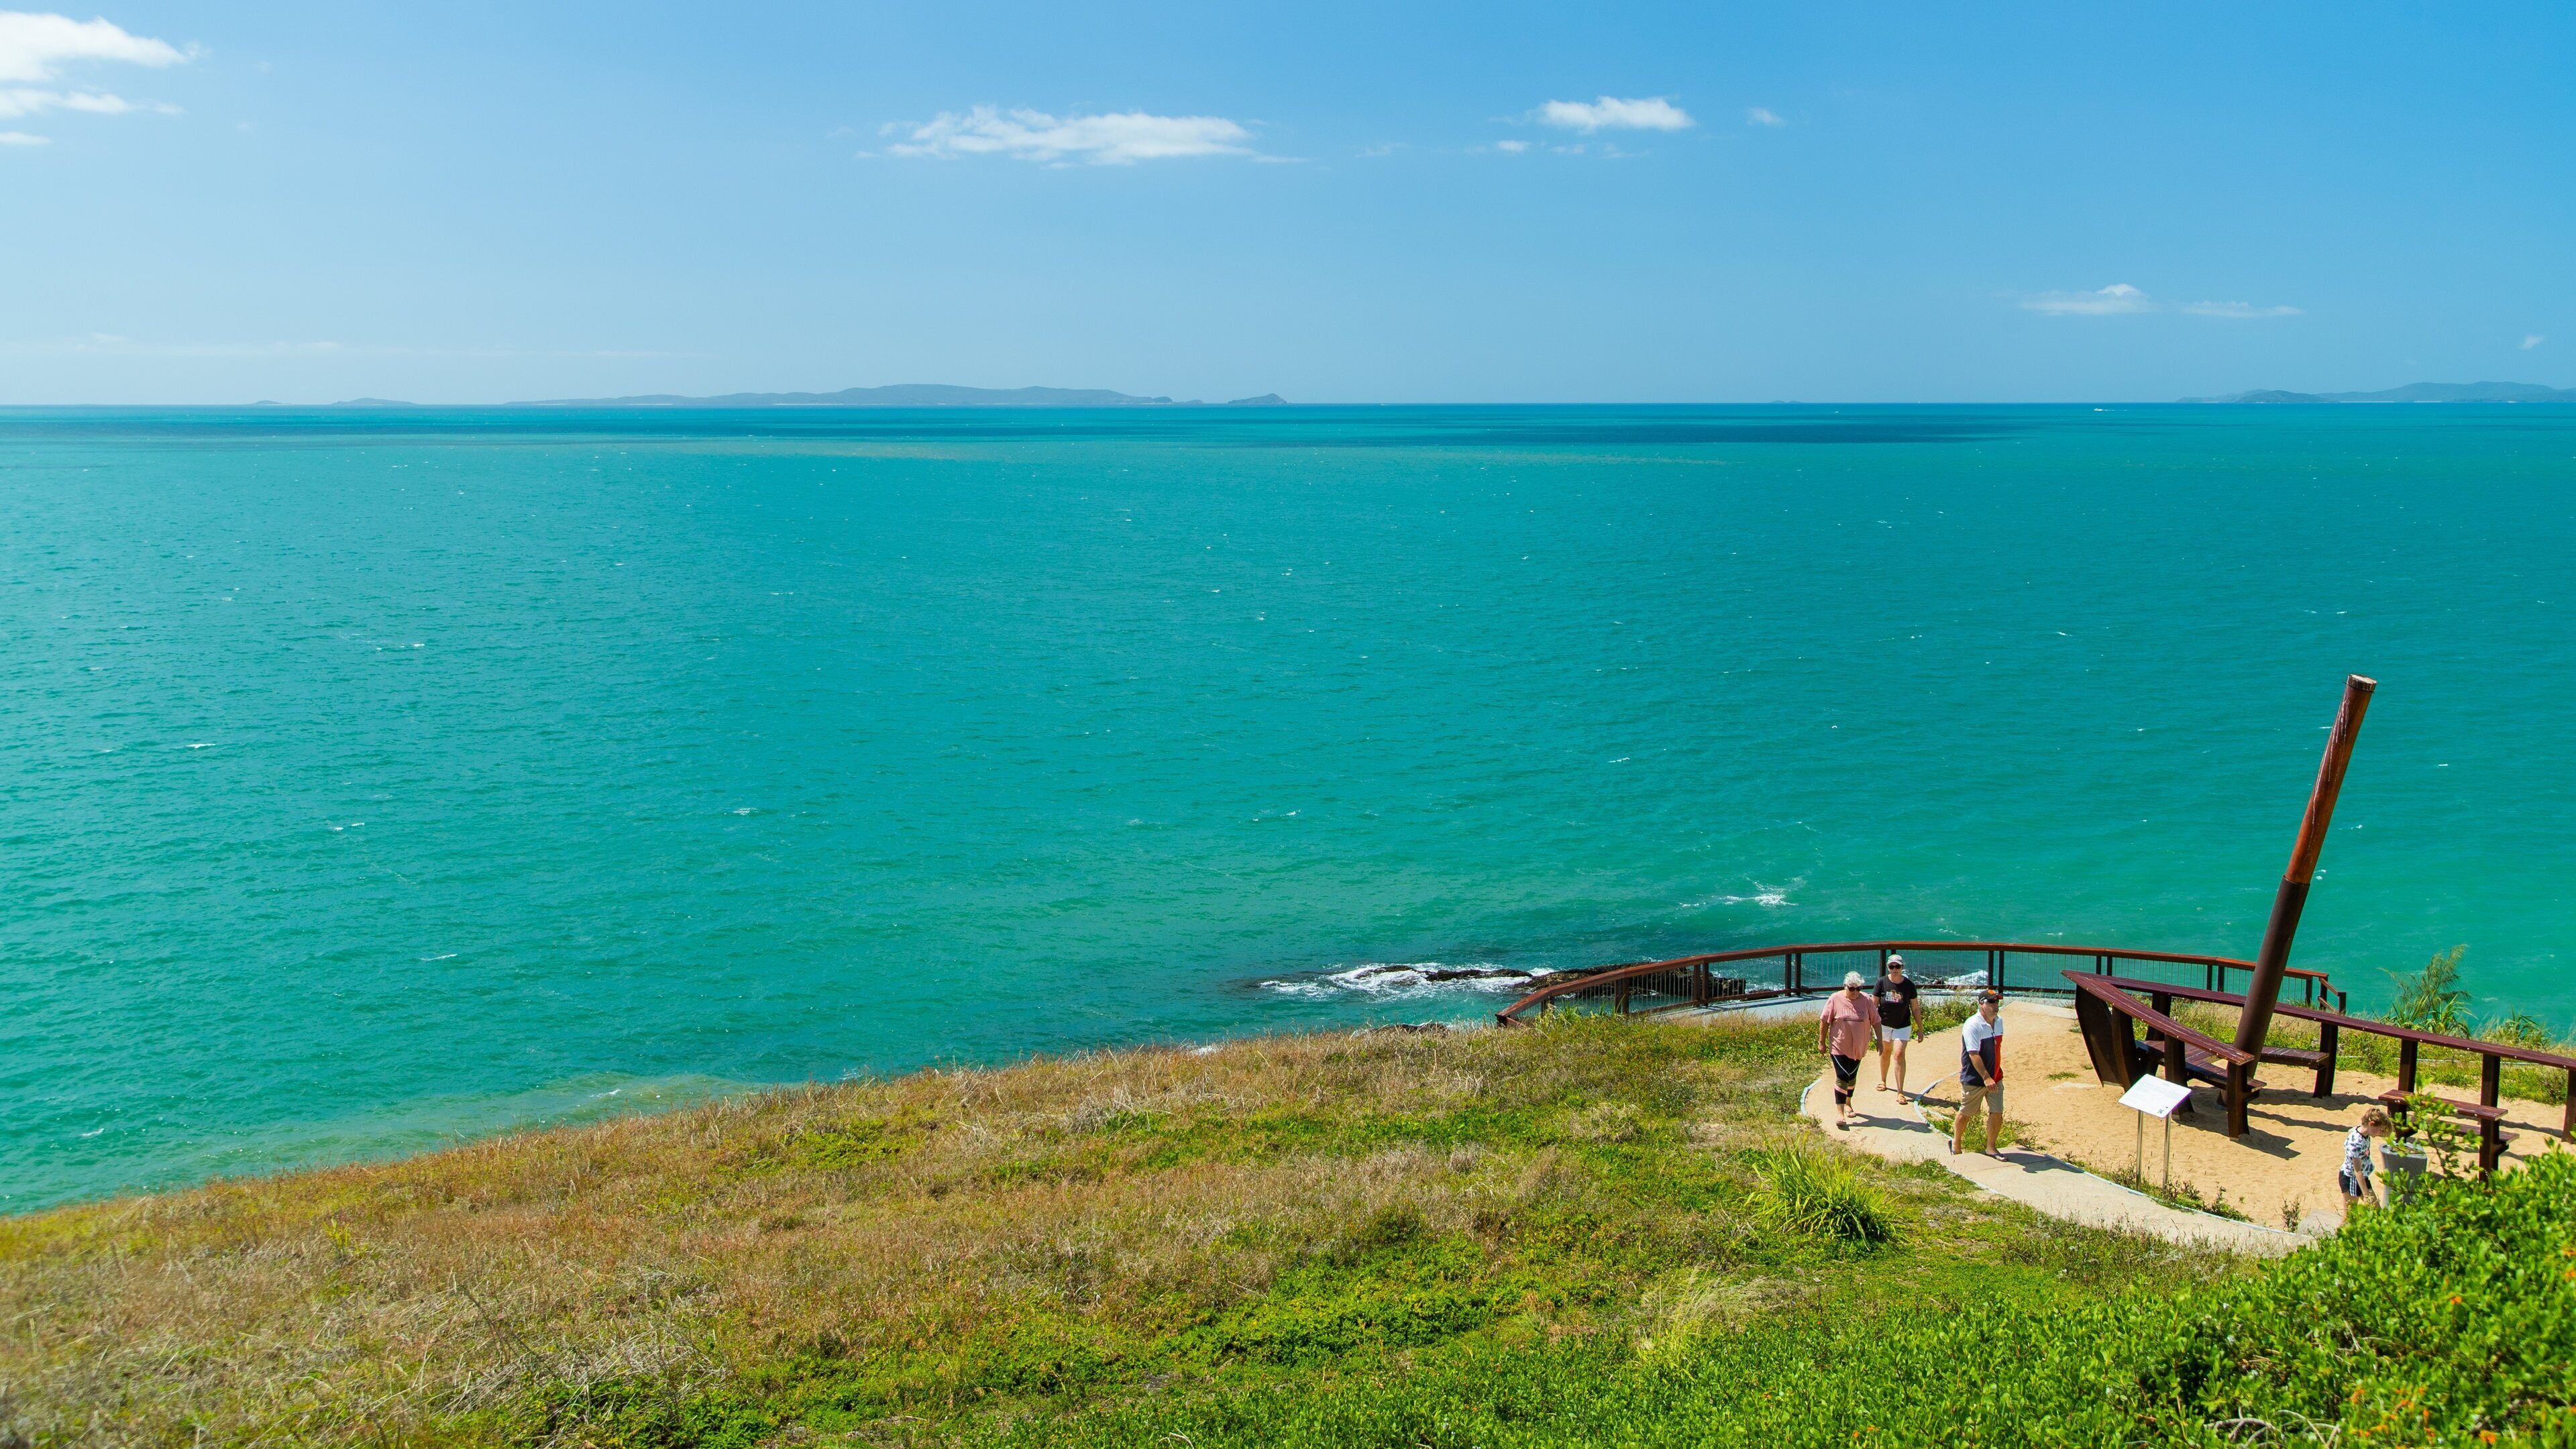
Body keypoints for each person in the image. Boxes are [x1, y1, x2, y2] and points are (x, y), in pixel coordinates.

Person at [1817, 971, 1880, 1129]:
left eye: (1858, 988)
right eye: (1852, 989)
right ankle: (1840, 1114)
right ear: (1845, 987)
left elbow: (1876, 1021)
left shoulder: (1866, 1000)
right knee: (1842, 1076)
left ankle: (1848, 1102)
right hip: (1839, 1046)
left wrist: (1879, 1040)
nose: (1855, 992)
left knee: (1852, 1077)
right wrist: (1821, 1042)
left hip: (1859, 1047)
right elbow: (1824, 1021)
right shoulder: (1835, 999)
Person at [1951, 989, 2004, 1157]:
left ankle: (1991, 1147)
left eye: (1997, 1002)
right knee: (1967, 1113)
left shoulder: (1999, 1021)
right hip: (1975, 1079)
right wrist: (1986, 1077)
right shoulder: (1972, 1025)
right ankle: (1956, 1142)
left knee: (1997, 1112)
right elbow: (1973, 1054)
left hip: (1996, 1077)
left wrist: (1993, 1076)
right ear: (1981, 1004)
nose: (1995, 1005)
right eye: (1991, 1002)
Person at [1872, 955, 1920, 1098]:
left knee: (1899, 1054)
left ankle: (1900, 1091)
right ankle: (1883, 1080)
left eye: (1897, 966)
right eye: (1892, 966)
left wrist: (1921, 1029)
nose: (1894, 969)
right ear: (1888, 967)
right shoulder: (1881, 983)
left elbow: (1915, 1008)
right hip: (1884, 1024)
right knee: (1885, 1052)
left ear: (1902, 967)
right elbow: (1873, 1006)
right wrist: (1870, 1027)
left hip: (1902, 1026)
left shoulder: (1909, 985)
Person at [2341, 1105, 2393, 1209]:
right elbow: (2357, 1170)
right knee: (2349, 1217)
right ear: (2371, 1124)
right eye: (2380, 1130)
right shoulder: (2356, 1143)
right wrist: (2365, 1195)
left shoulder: (2363, 1132)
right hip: (2351, 1179)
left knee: (2377, 1210)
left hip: (2363, 1178)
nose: (2380, 1133)